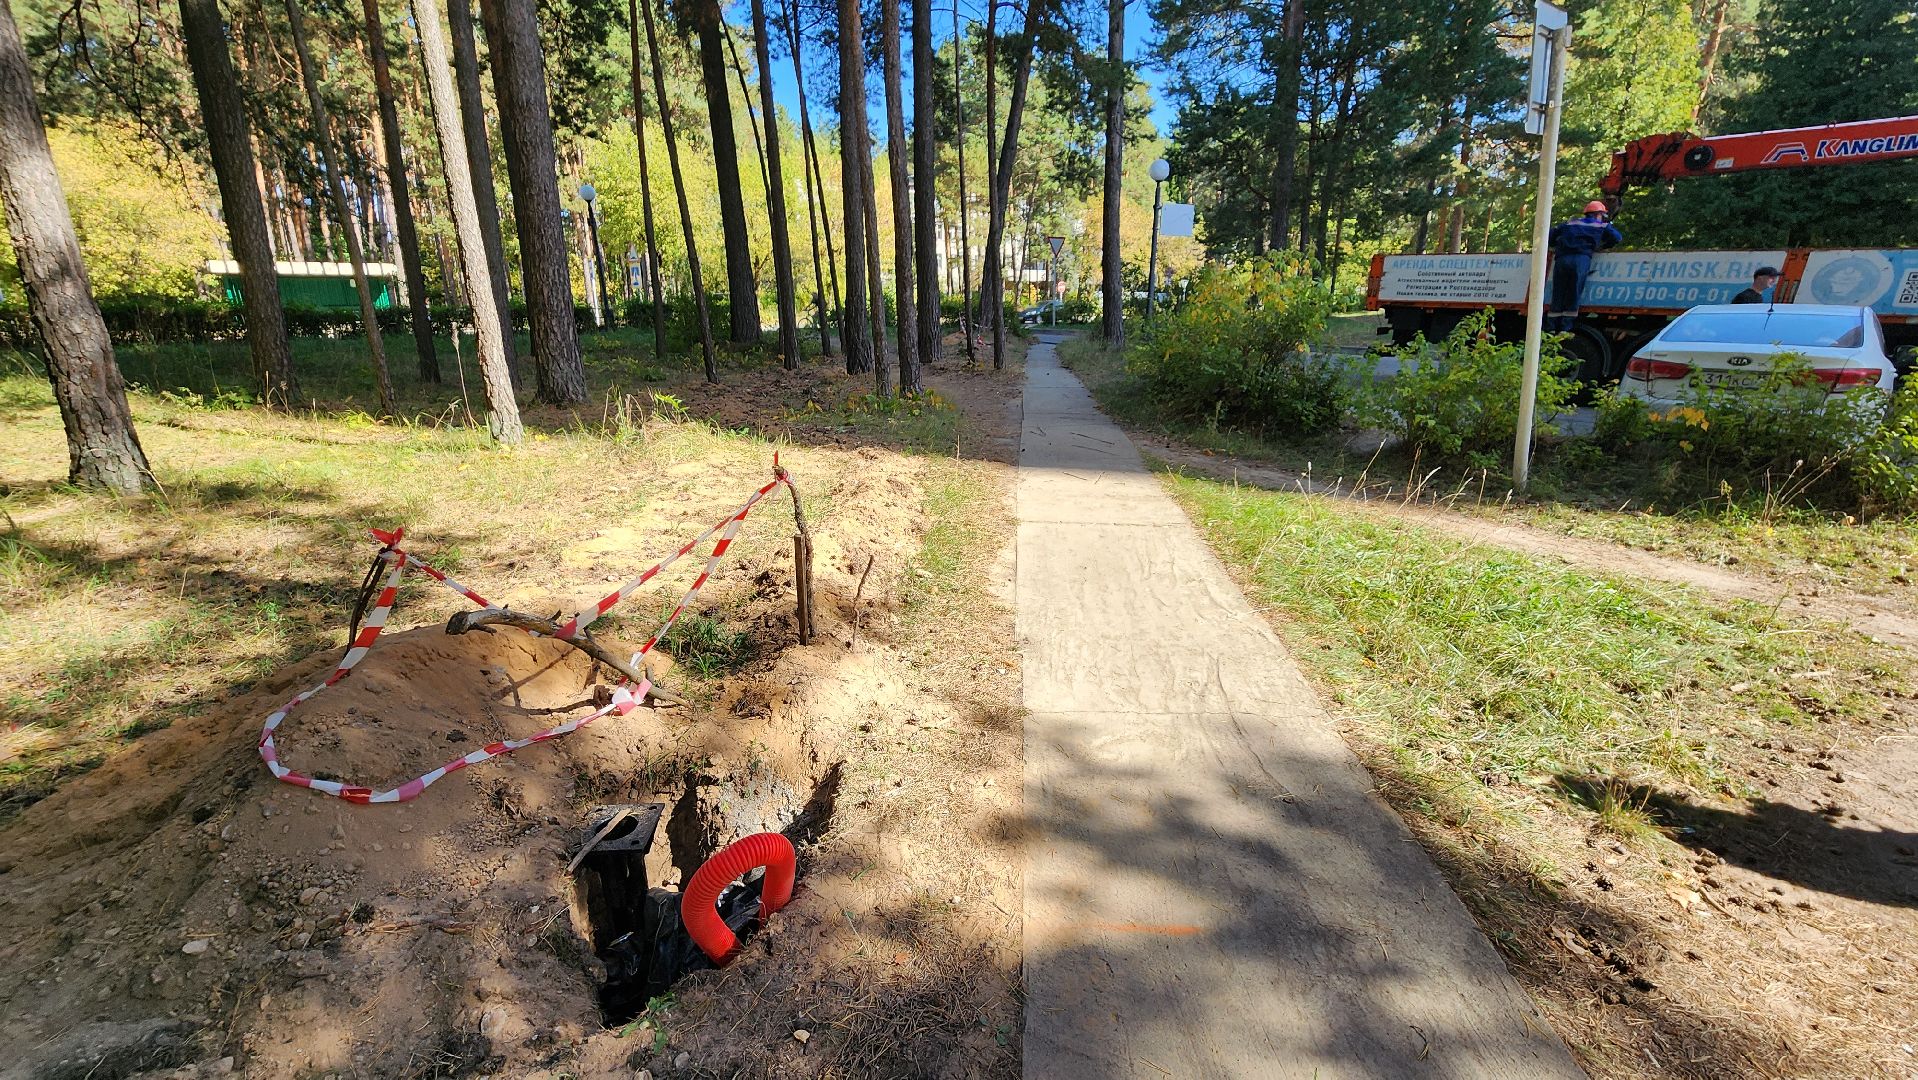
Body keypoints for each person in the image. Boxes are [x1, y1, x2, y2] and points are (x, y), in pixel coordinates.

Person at [1547, 201, 1623, 332]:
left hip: (1562, 259)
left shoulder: (1570, 223)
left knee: (1558, 292)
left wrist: (1557, 244)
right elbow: (1617, 238)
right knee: (1574, 293)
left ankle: (1551, 328)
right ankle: (1565, 329)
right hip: (1581, 259)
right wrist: (1603, 246)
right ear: (1598, 214)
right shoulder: (1601, 225)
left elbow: (1550, 235)